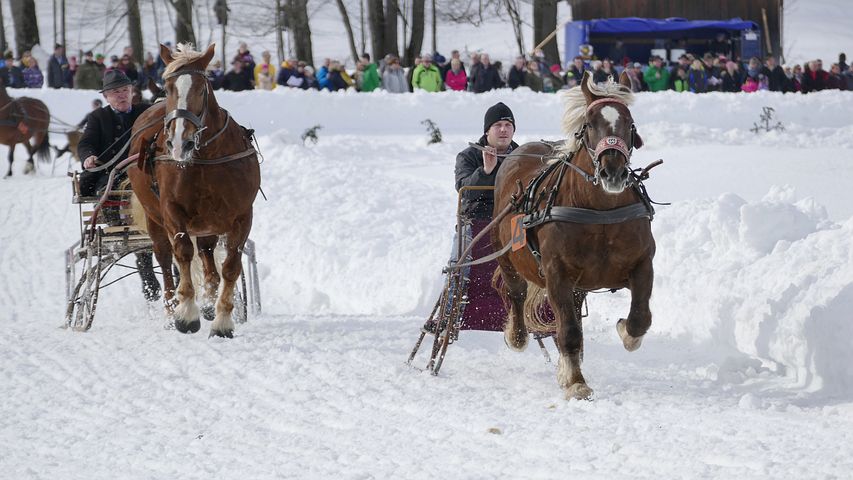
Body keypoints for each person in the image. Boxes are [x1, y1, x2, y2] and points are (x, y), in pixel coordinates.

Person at [77, 70, 160, 301]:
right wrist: (88, 157)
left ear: (132, 92)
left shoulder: (147, 112)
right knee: (111, 192)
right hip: (112, 175)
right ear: (106, 96)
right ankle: (123, 232)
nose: (121, 96)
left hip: (145, 172)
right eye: (115, 92)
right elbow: (86, 144)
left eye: (125, 90)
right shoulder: (98, 118)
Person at [455, 102, 518, 219]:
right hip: (478, 220)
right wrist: (485, 171)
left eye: (508, 125)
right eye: (498, 125)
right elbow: (465, 193)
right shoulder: (468, 156)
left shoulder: (522, 156)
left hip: (514, 220)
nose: (503, 129)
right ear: (487, 131)